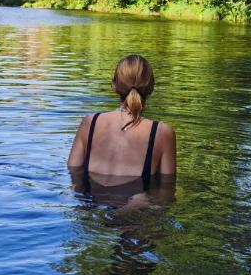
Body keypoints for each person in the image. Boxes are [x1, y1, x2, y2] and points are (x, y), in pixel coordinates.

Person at [67, 54, 176, 209]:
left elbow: (73, 172)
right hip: (134, 211)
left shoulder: (89, 123)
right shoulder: (162, 132)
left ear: (114, 85)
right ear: (152, 88)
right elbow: (167, 192)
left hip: (90, 203)